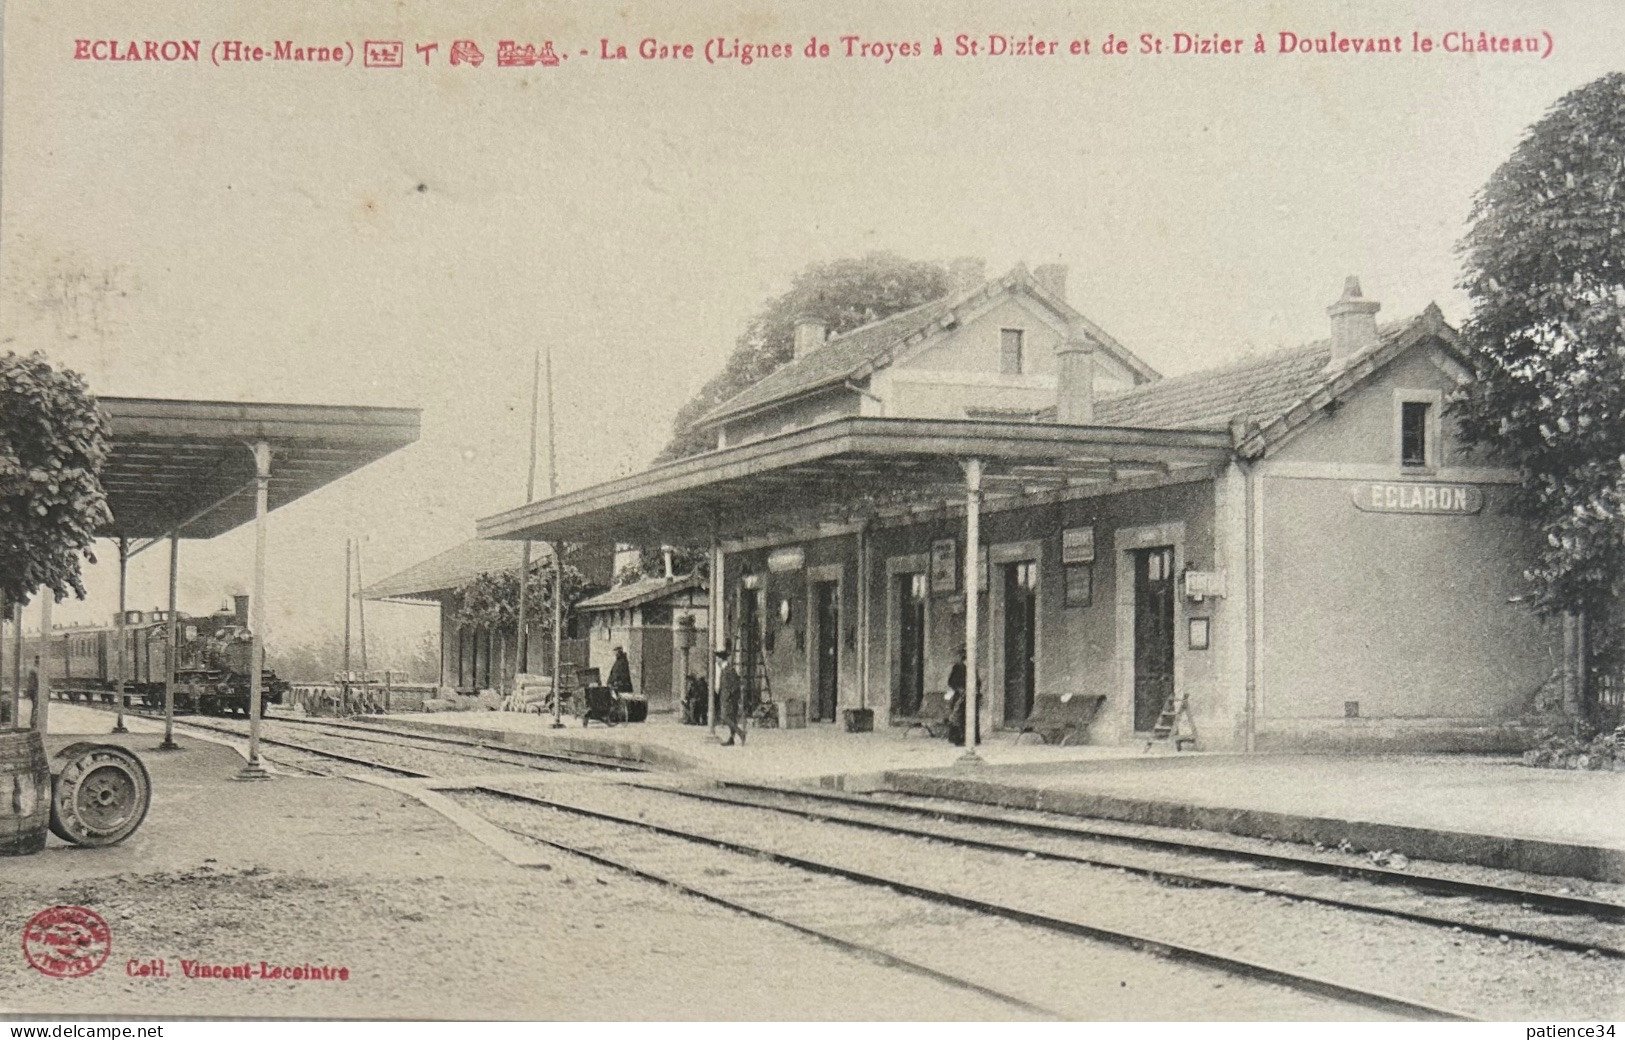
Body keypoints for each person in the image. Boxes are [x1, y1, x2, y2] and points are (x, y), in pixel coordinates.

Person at [945, 646, 981, 747]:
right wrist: (959, 689)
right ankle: (958, 739)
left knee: (972, 716)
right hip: (960, 695)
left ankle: (973, 739)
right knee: (959, 716)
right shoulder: (958, 667)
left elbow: (978, 681)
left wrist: (976, 689)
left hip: (972, 695)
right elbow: (951, 682)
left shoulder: (973, 667)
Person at [715, 646, 745, 746]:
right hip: (726, 698)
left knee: (724, 717)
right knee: (731, 718)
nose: (716, 661)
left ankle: (741, 733)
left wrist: (730, 696)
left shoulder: (728, 670)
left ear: (721, 659)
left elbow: (736, 684)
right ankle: (731, 739)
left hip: (729, 699)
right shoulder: (725, 669)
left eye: (717, 659)